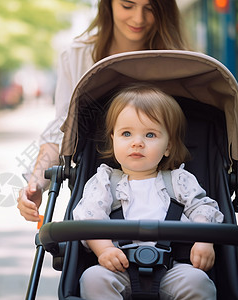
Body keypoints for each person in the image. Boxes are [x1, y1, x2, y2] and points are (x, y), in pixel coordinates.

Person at [17, 0, 187, 222]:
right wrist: (36, 182)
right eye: (128, 6)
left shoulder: (182, 61)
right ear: (108, 5)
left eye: (151, 9)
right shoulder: (78, 56)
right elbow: (61, 130)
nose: (138, 18)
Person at [72, 84, 224, 299]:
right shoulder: (104, 182)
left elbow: (204, 209)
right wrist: (104, 249)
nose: (137, 143)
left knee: (197, 282)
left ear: (168, 146)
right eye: (126, 133)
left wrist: (204, 240)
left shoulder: (179, 181)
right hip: (119, 266)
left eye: (150, 135)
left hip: (174, 267)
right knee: (93, 279)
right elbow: (88, 218)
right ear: (113, 139)